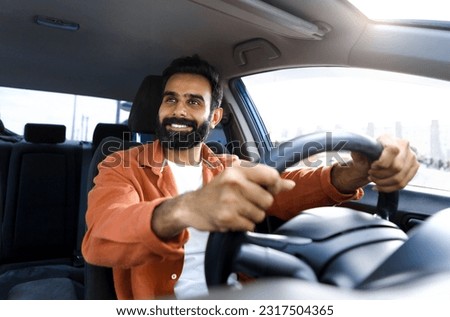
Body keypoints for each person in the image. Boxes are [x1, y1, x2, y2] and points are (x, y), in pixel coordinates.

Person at [82, 55, 419, 300]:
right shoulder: (121, 165)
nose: (179, 111)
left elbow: (290, 187)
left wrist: (355, 172)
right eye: (171, 99)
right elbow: (102, 235)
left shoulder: (228, 166)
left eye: (193, 102)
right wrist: (185, 209)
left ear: (214, 116)